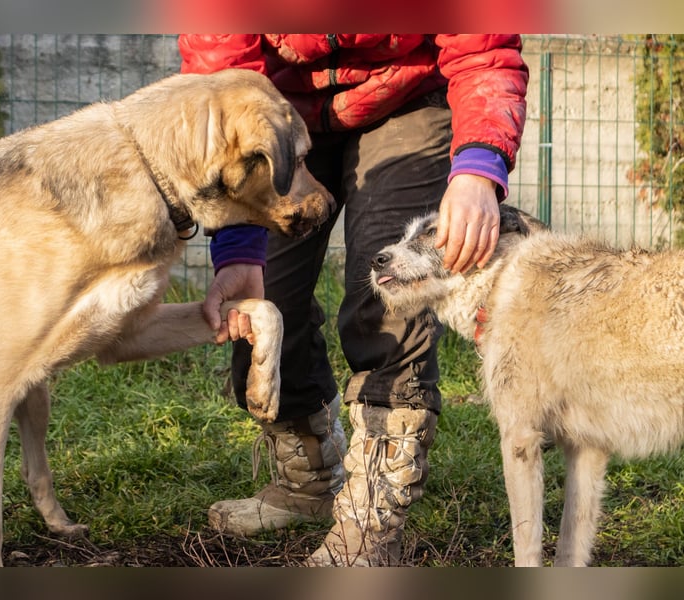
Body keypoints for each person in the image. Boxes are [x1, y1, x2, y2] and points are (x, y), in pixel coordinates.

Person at [178, 34, 528, 566]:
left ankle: (371, 520)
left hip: (404, 95)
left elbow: (484, 45)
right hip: (274, 105)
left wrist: (479, 167)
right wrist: (237, 240)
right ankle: (308, 482)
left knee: (388, 299)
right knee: (265, 300)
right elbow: (218, 74)